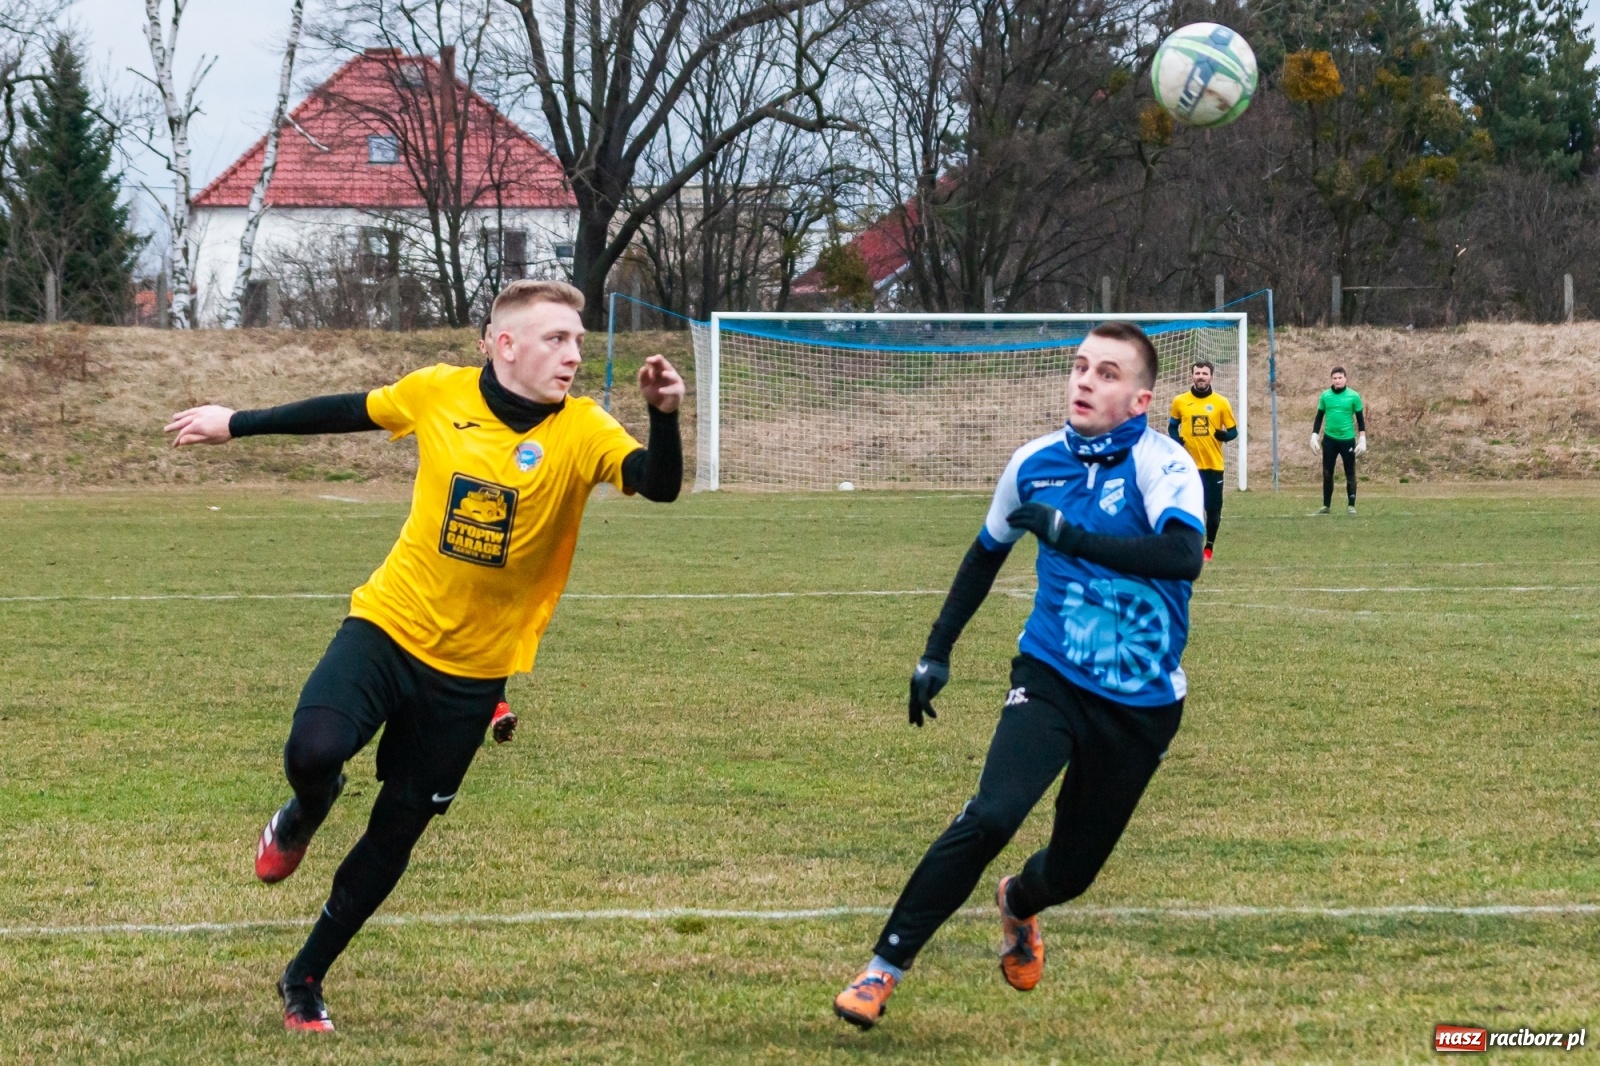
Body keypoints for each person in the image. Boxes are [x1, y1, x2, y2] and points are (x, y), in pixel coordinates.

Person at [163, 279, 684, 1032]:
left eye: (576, 339)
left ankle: (305, 974)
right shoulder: (439, 392)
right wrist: (235, 423)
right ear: (505, 345)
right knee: (313, 752)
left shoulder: (585, 430)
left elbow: (656, 486)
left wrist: (663, 419)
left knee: (397, 830)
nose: (573, 354)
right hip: (390, 624)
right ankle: (308, 810)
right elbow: (348, 411)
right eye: (556, 339)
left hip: (474, 673)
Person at [833, 322, 1205, 1030]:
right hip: (1052, 674)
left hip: (1141, 705)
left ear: (1140, 399)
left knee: (1069, 873)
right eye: (1079, 368)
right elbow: (984, 555)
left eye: (1106, 373)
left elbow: (1183, 555)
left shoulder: (1165, 465)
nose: (1085, 382)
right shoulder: (1032, 463)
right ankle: (882, 969)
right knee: (993, 813)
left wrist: (1074, 537)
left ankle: (1019, 904)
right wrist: (936, 651)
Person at [1167, 359, 1238, 561]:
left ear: (1211, 377)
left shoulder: (1221, 402)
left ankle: (1209, 546)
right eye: (1197, 373)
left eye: (1204, 374)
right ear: (1192, 375)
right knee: (1189, 508)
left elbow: (1233, 432)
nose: (1201, 377)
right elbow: (1173, 426)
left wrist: (1224, 436)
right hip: (1188, 467)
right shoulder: (1180, 401)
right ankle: (1192, 545)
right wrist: (1177, 441)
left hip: (1214, 465)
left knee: (1213, 510)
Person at [1310, 366, 1366, 514]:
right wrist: (1314, 435)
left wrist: (1362, 438)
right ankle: (1326, 505)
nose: (1337, 380)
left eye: (1340, 377)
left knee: (1350, 472)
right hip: (1329, 439)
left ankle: (1351, 505)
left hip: (1347, 439)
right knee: (1327, 472)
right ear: (1331, 380)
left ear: (1345, 378)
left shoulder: (1353, 396)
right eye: (1335, 378)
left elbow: (1360, 419)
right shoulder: (1325, 396)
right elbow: (1319, 416)